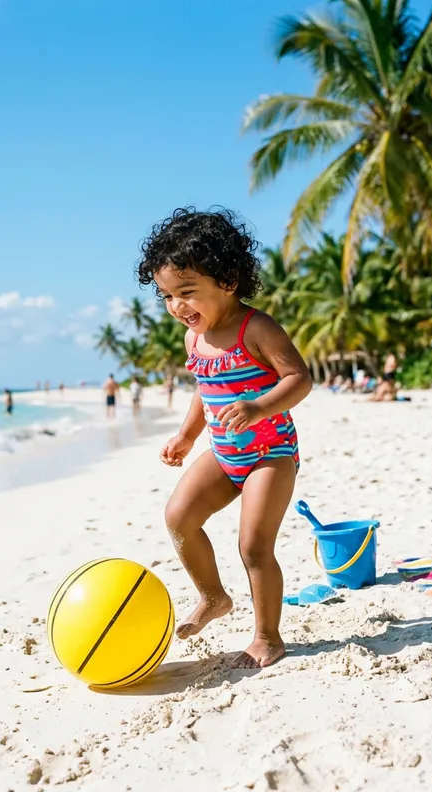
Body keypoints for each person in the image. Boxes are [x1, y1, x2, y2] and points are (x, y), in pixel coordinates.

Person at [136, 207, 312, 669]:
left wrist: (258, 407)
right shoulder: (195, 340)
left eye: (186, 292)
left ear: (228, 280)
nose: (177, 306)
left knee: (253, 545)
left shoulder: (257, 328)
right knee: (179, 517)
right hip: (223, 451)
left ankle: (267, 636)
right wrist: (186, 435)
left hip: (270, 454)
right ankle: (213, 597)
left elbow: (299, 378)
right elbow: (205, 390)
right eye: (167, 296)